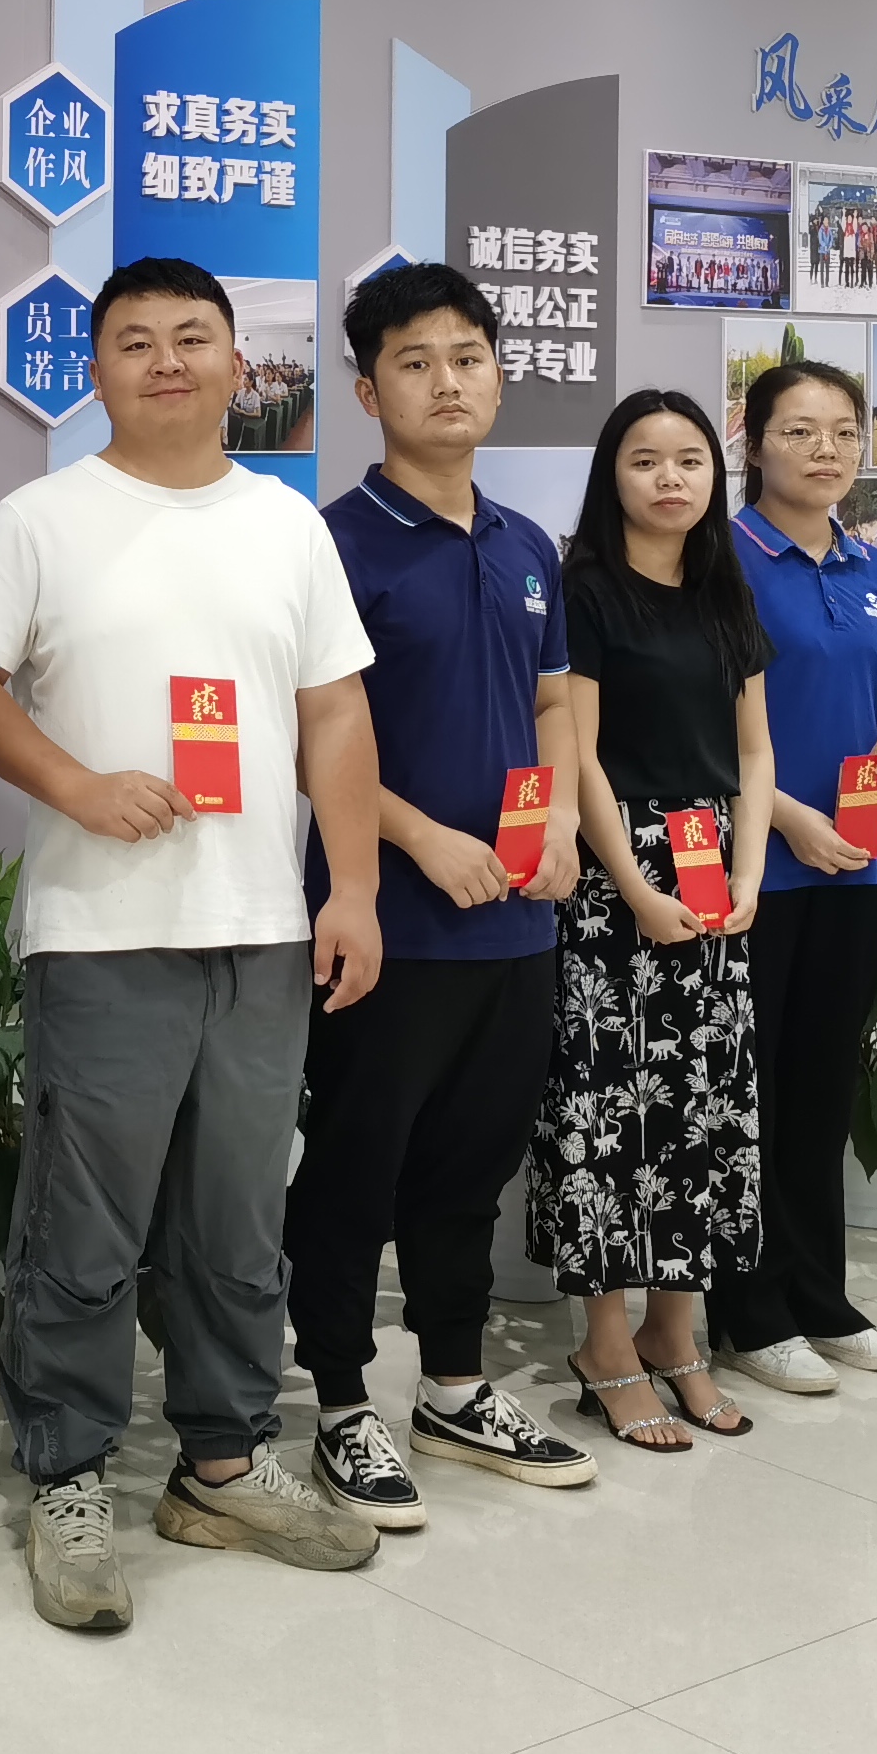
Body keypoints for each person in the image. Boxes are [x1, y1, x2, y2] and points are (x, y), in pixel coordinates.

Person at [0, 257, 388, 1633]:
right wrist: (78, 787)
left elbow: (335, 714)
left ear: (236, 366)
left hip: (259, 927)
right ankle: (69, 1475)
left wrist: (351, 888)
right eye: (135, 342)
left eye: (193, 338)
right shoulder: (39, 520)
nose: (166, 361)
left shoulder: (286, 525)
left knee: (239, 1221)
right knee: (82, 1227)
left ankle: (222, 1462)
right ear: (94, 371)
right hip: (102, 933)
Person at [284, 263, 601, 1527]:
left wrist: (562, 818)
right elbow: (309, 738)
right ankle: (340, 1405)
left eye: (468, 357)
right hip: (386, 925)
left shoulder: (527, 545)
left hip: (516, 922)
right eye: (415, 363)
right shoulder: (330, 543)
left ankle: (457, 1389)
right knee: (354, 1173)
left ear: (500, 377)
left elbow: (554, 702)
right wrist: (420, 841)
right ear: (369, 392)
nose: (447, 382)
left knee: (473, 1167)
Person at [533, 389, 775, 1454]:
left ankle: (677, 1334)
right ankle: (605, 1345)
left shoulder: (726, 589)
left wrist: (749, 869)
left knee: (705, 1113)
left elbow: (755, 751)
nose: (670, 478)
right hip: (611, 878)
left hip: (715, 867)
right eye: (645, 460)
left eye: (689, 459)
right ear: (611, 476)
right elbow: (577, 754)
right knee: (607, 1111)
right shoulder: (583, 589)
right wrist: (632, 884)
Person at [713, 359, 877, 1395]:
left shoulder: (875, 568)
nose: (826, 450)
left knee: (819, 1087)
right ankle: (749, 1313)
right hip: (757, 869)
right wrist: (784, 819)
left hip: (857, 865)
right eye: (800, 431)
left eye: (844, 431)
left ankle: (821, 1298)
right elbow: (691, 725)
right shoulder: (721, 561)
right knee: (748, 1092)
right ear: (754, 442)